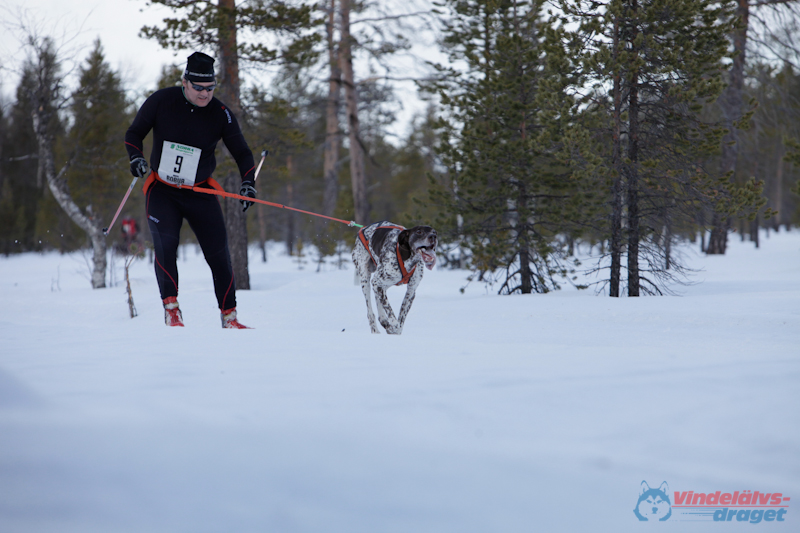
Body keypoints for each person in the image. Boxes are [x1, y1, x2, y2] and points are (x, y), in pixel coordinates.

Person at [124, 52, 258, 328]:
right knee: (166, 245)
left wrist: (248, 183)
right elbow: (134, 133)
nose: (205, 94)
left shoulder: (221, 113)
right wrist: (136, 157)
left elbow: (243, 153)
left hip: (200, 192)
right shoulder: (162, 101)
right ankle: (171, 309)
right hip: (163, 190)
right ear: (184, 82)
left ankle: (229, 317)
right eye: (198, 88)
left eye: (210, 88)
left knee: (219, 254)